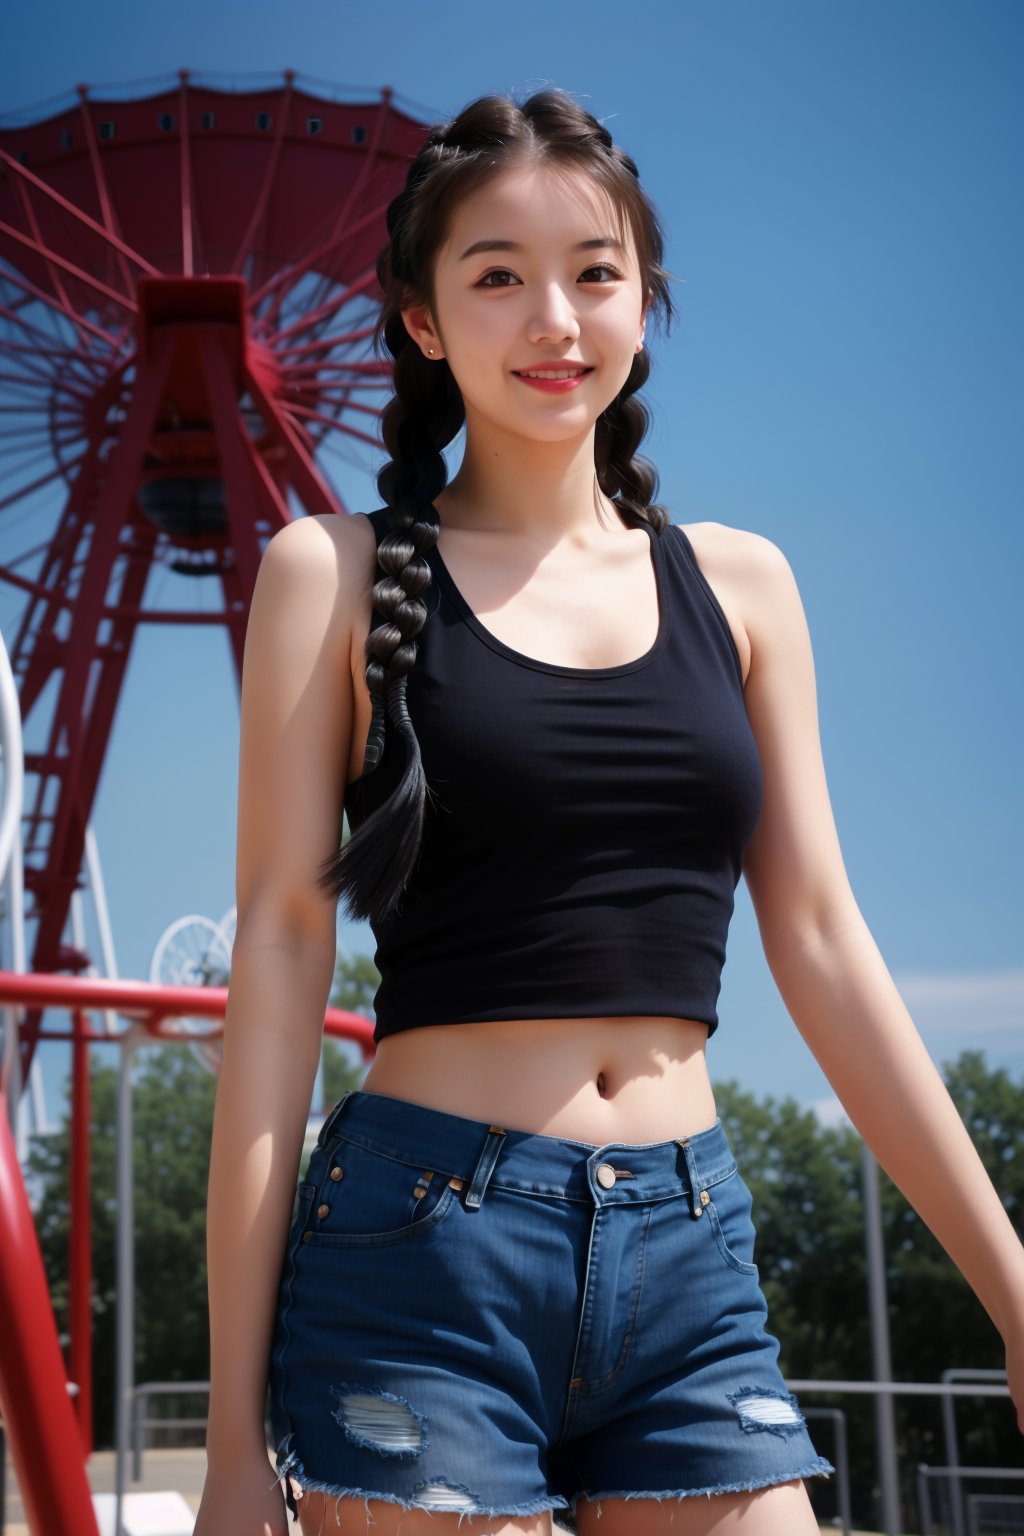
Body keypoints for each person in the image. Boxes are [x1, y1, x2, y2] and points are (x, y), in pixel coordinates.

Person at [195, 86, 1024, 1536]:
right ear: (422, 319)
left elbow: (823, 942)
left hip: (691, 1255)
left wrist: (1015, 1290)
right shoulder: (327, 574)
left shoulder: (743, 585)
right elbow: (275, 963)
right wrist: (223, 1446)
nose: (554, 320)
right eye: (497, 277)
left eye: (594, 273)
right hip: (415, 1263)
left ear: (647, 299)